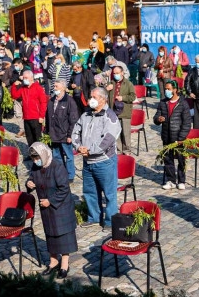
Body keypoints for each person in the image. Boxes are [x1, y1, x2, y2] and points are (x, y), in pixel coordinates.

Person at [26, 142, 77, 278]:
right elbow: (32, 178)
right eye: (33, 159)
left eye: (37, 158)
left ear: (43, 155)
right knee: (50, 234)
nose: (36, 161)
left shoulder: (57, 166)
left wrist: (51, 201)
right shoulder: (36, 167)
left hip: (60, 207)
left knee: (63, 235)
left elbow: (64, 188)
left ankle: (64, 264)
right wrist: (29, 183)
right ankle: (53, 261)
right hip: (46, 207)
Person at [72, 87, 120, 229]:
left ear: (103, 99)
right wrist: (78, 147)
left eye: (93, 97)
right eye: (90, 96)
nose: (90, 99)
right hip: (88, 162)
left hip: (104, 161)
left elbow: (109, 139)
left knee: (109, 194)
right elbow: (76, 132)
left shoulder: (110, 116)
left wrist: (91, 151)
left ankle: (110, 221)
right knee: (90, 192)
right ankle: (93, 217)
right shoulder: (86, 115)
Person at [155, 80, 192, 190]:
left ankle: (181, 180)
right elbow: (156, 117)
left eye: (168, 89)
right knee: (168, 159)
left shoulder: (183, 103)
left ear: (175, 90)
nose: (166, 91)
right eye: (166, 89)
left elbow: (187, 123)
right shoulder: (163, 102)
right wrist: (158, 119)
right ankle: (171, 180)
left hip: (179, 137)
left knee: (181, 159)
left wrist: (181, 138)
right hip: (166, 136)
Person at [45, 79, 80, 182]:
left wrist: (70, 135)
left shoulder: (69, 101)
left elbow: (73, 120)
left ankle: (70, 175)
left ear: (63, 88)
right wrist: (47, 132)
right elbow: (48, 117)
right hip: (54, 134)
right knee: (57, 155)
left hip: (65, 134)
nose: (54, 88)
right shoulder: (51, 100)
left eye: (56, 86)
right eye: (54, 86)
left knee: (69, 156)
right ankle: (61, 173)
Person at [11, 70, 48, 147]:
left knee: (37, 137)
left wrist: (41, 116)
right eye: (23, 78)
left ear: (31, 78)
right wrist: (14, 86)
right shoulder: (23, 88)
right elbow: (15, 96)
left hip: (36, 117)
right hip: (26, 117)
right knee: (29, 137)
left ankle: (39, 153)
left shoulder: (38, 88)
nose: (24, 79)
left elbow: (43, 102)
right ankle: (32, 153)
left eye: (26, 78)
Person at [106, 65, 136, 154]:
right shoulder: (111, 83)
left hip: (125, 111)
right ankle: (118, 150)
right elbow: (103, 95)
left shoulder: (128, 83)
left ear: (122, 73)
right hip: (113, 112)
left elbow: (133, 96)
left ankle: (127, 150)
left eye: (117, 73)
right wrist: (106, 89)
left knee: (126, 133)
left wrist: (122, 98)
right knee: (117, 133)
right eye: (114, 73)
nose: (115, 75)